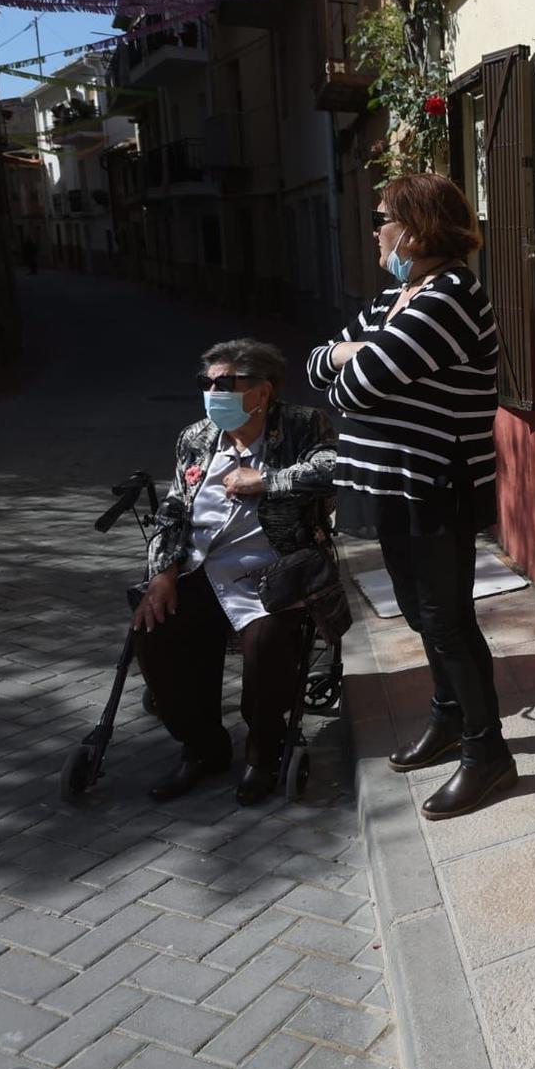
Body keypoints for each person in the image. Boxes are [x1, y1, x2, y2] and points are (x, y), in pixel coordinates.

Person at [308, 173, 511, 822]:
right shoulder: (399, 296)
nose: (374, 231)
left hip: (434, 486)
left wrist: (351, 361)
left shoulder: (448, 296)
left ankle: (488, 755)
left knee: (449, 621)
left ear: (417, 227)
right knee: (423, 617)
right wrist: (348, 352)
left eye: (381, 217)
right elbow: (316, 366)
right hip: (391, 487)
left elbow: (353, 389)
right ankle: (449, 720)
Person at [132, 339, 341, 805]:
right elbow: (173, 508)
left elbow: (332, 469)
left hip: (275, 571)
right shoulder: (196, 437)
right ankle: (202, 747)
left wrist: (266, 481)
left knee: (268, 644)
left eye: (226, 383)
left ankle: (263, 752)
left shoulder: (302, 425)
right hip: (202, 569)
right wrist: (163, 572)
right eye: (206, 383)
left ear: (262, 391)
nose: (213, 392)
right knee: (154, 634)